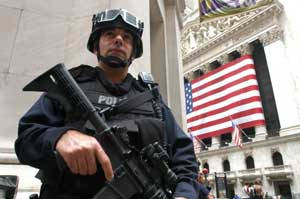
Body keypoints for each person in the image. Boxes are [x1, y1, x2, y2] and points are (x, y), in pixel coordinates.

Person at [15, 8, 199, 199]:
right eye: (110, 34)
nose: (119, 39)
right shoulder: (70, 88)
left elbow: (183, 155)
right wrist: (59, 138)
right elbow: (26, 140)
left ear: (134, 52)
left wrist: (184, 193)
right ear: (96, 46)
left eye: (127, 37)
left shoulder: (150, 99)